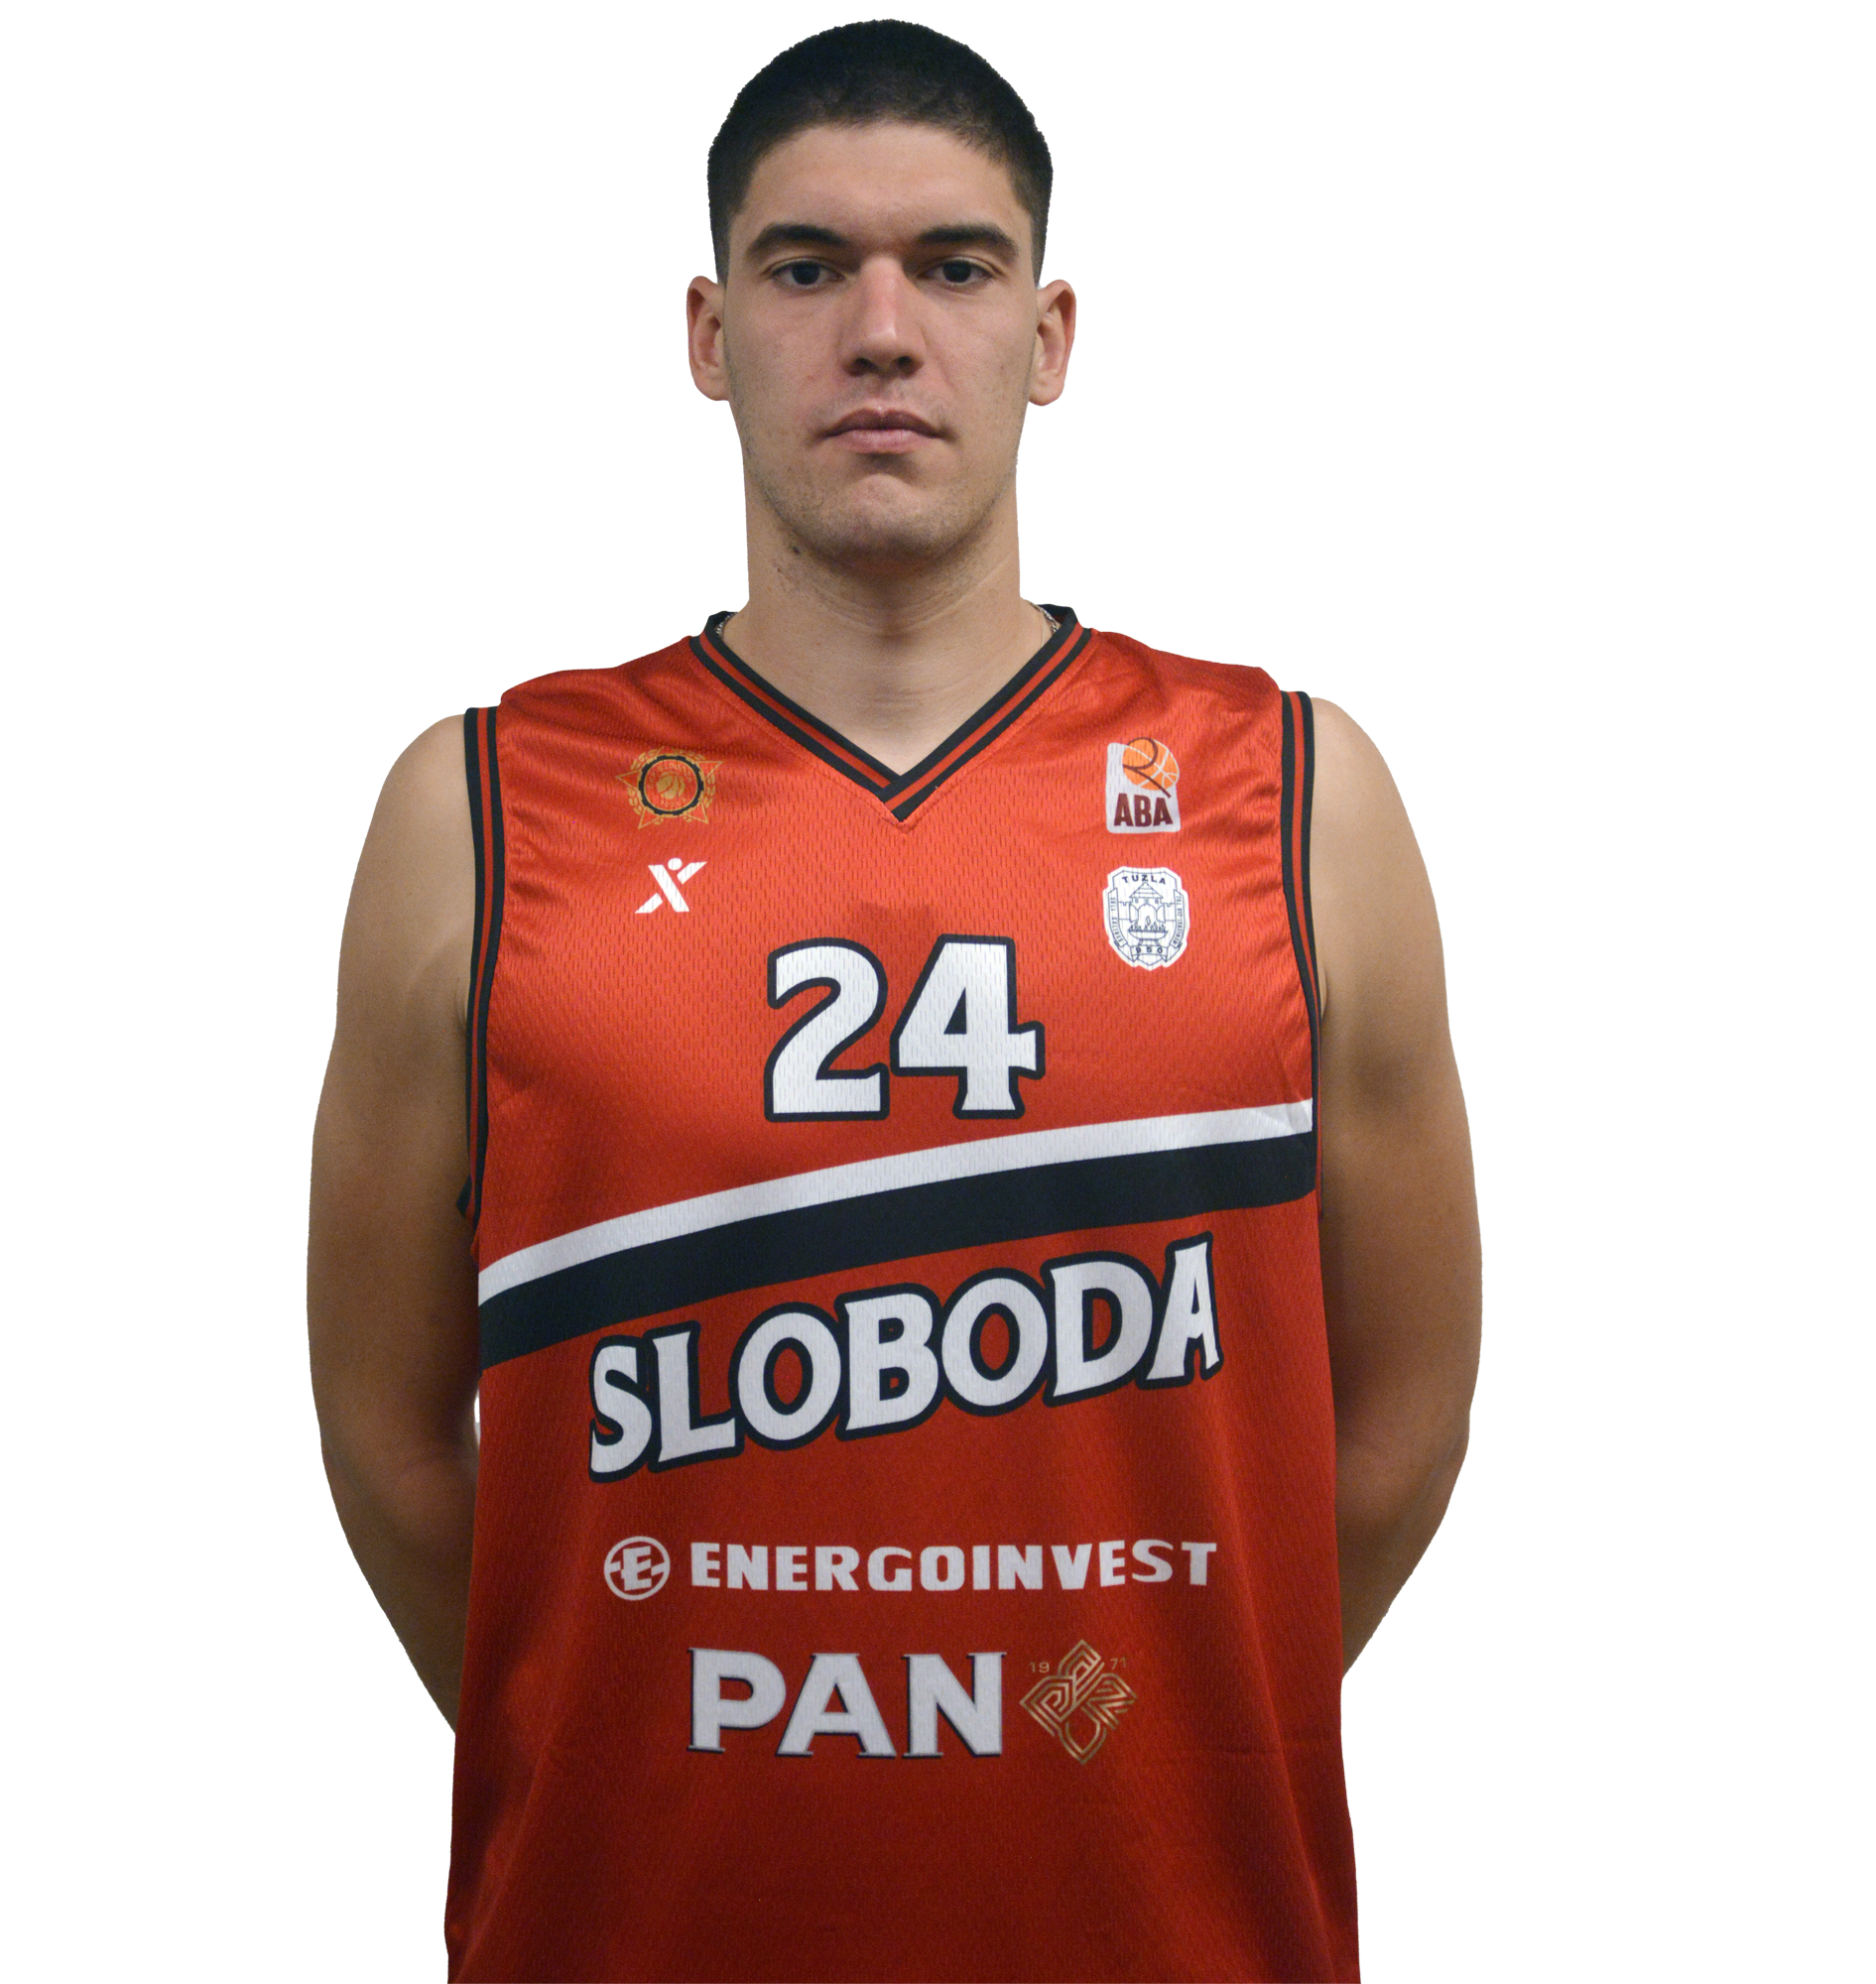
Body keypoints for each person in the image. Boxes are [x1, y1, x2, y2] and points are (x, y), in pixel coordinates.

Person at [310, 20, 1478, 1982]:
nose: (879, 330)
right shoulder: (480, 806)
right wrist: (607, 1729)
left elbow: (1402, 1419)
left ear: (1048, 333)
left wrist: (1168, 1713)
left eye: (953, 265)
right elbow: (388, 1435)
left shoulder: (1293, 791)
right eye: (805, 267)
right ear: (709, 334)